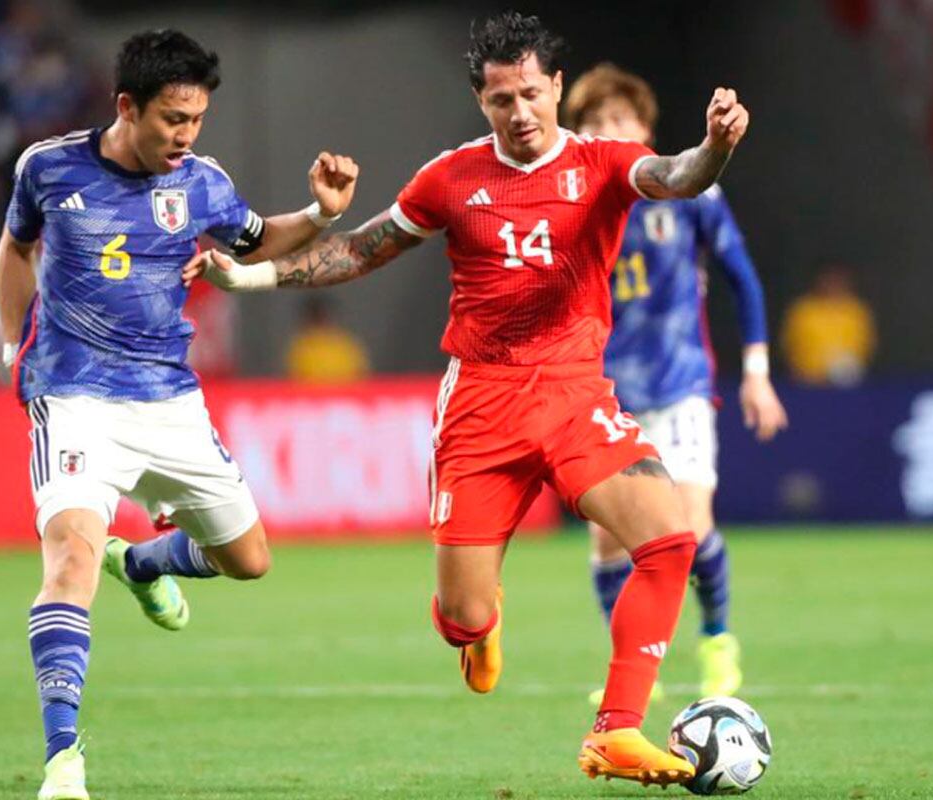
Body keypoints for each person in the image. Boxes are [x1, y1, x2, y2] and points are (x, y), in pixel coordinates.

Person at [192, 12, 751, 788]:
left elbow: (679, 176)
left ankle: (618, 730)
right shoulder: (451, 178)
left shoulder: (602, 162)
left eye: (530, 94)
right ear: (481, 102)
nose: (519, 113)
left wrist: (717, 145)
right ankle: (478, 625)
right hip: (481, 406)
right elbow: (362, 249)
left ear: (556, 87)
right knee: (463, 613)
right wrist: (250, 277)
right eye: (500, 101)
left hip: (572, 391)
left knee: (668, 539)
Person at [0, 29, 358, 800]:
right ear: (127, 106)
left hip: (168, 399)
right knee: (69, 563)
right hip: (74, 395)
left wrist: (320, 214)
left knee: (249, 560)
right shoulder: (48, 168)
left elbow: (258, 242)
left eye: (196, 119)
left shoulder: (201, 182)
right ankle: (63, 764)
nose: (185, 136)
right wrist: (9, 347)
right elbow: (14, 249)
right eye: (172, 119)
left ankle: (147, 560)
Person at [563, 64, 788, 702]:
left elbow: (742, 277)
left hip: (679, 384)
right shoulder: (573, 205)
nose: (609, 130)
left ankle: (717, 639)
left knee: (687, 530)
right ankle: (633, 662)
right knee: (608, 535)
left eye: (620, 119)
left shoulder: (689, 191)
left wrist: (756, 373)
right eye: (595, 121)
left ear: (644, 127)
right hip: (604, 394)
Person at [781, 263, 876, 385]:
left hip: (848, 382)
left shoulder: (857, 311)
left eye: (838, 280)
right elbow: (789, 344)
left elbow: (866, 345)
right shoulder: (802, 309)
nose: (833, 284)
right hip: (806, 383)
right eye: (829, 280)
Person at [285, 296, 371, 383]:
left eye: (323, 315)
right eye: (317, 315)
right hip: (312, 395)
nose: (321, 319)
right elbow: (295, 379)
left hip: (343, 394)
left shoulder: (346, 343)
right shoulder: (300, 346)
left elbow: (360, 375)